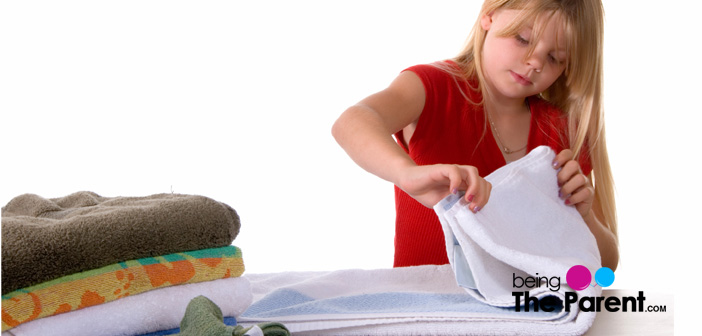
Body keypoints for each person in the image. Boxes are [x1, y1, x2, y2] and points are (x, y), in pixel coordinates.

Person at [331, 0, 618, 271]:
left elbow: (606, 267)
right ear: (489, 16)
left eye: (555, 58)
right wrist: (406, 174)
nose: (535, 63)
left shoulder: (563, 128)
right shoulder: (433, 87)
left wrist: (584, 216)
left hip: (526, 315)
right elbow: (352, 121)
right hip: (423, 310)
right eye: (523, 39)